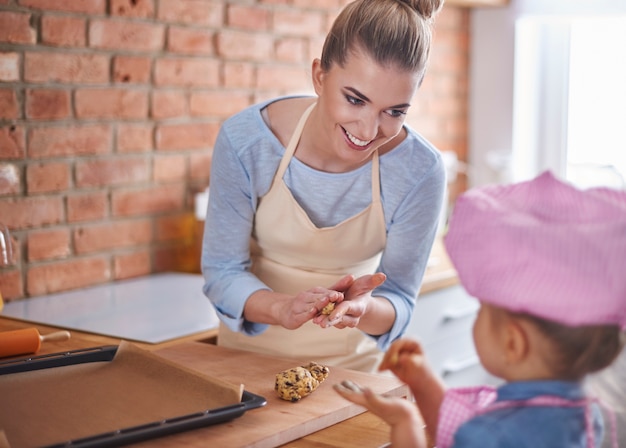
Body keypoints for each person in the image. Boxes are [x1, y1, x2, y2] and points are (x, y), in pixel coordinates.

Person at [201, 0, 446, 372]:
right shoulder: (247, 141)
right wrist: (282, 308)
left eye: (394, 111)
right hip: (241, 367)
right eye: (355, 99)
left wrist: (363, 310)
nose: (368, 131)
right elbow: (222, 272)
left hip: (350, 377)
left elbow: (399, 300)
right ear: (319, 76)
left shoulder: (420, 170)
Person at [334, 171, 626, 446]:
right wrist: (423, 384)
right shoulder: (583, 413)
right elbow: (459, 433)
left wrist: (405, 422)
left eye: (481, 310)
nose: (477, 318)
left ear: (513, 342)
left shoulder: (490, 432)